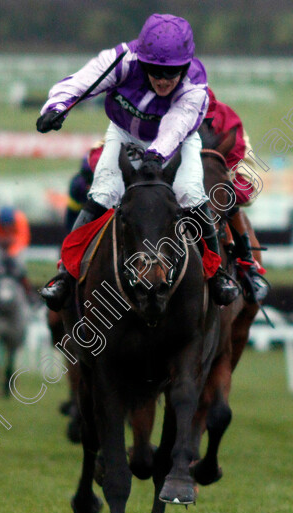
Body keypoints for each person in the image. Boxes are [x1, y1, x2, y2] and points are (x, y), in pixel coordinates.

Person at [36, 13, 238, 311]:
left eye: (172, 72)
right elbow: (84, 80)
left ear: (186, 66)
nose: (163, 80)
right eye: (155, 70)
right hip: (124, 134)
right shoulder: (123, 59)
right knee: (104, 191)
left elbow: (176, 124)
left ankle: (216, 273)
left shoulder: (195, 84)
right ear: (142, 61)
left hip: (178, 140)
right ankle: (65, 276)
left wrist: (156, 155)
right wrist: (57, 106)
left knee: (190, 191)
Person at [204, 87, 270, 303]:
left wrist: (232, 187)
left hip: (219, 171)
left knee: (226, 196)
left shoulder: (223, 116)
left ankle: (248, 267)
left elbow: (238, 163)